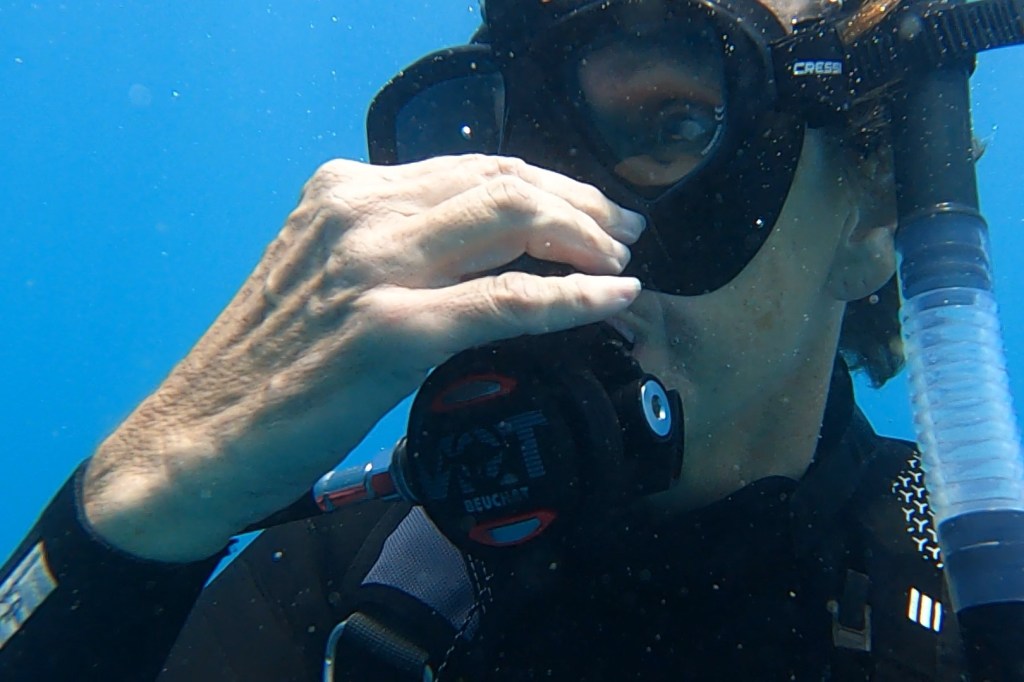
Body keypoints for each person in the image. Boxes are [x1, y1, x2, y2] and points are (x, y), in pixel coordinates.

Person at [0, 0, 979, 678]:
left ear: (873, 214)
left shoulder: (980, 598)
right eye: (508, 138)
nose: (551, 232)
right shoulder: (347, 595)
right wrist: (145, 497)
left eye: (676, 123)